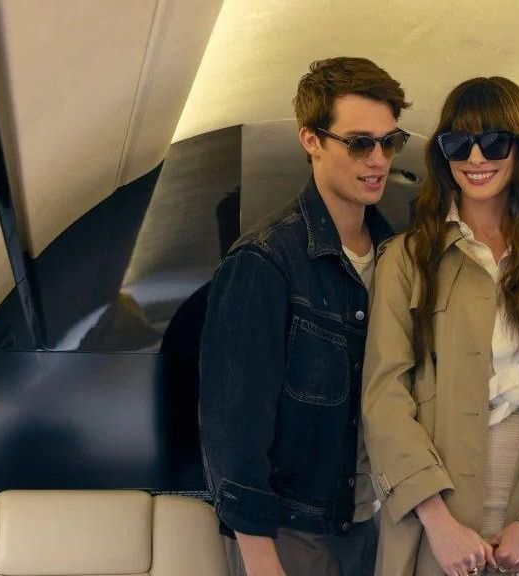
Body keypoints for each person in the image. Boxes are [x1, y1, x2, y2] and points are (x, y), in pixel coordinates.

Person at [362, 77, 519, 576]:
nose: (474, 157)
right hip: (436, 513)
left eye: (493, 142)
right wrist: (438, 523)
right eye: (458, 143)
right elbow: (385, 396)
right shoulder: (405, 259)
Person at [199, 56, 411, 576]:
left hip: (377, 522)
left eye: (389, 142)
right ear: (311, 140)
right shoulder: (265, 261)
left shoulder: (399, 258)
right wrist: (261, 562)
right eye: (359, 143)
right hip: (292, 533)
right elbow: (234, 429)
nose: (378, 159)